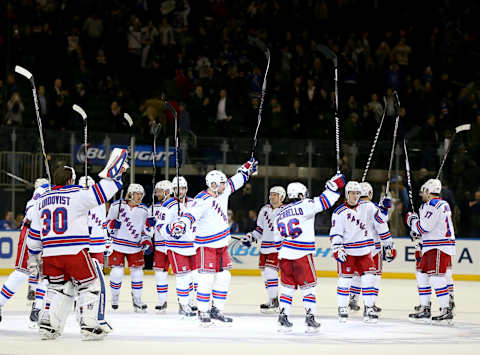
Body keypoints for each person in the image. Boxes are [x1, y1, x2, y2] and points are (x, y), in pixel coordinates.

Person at [27, 148, 129, 340]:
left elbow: (33, 237)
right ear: (70, 181)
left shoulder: (41, 202)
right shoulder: (77, 195)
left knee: (57, 288)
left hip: (49, 254)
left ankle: (48, 325)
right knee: (90, 285)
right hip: (75, 252)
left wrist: (34, 258)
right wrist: (117, 175)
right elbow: (103, 192)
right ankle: (89, 327)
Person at [168, 158, 258, 325]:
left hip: (221, 245)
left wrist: (246, 168)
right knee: (206, 278)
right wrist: (181, 224)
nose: (226, 186)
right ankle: (203, 311)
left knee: (224, 277)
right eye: (223, 183)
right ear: (214, 184)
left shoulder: (223, 193)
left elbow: (236, 180)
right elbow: (190, 214)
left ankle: (217, 309)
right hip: (206, 246)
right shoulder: (202, 199)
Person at [275, 174, 345, 333]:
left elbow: (277, 238)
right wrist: (334, 186)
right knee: (309, 289)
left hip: (285, 254)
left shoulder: (281, 211)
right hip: (301, 255)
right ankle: (310, 317)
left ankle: (283, 317)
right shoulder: (305, 204)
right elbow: (325, 201)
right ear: (300, 194)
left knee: (287, 288)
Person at [330, 181, 390, 324]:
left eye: (358, 193)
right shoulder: (339, 213)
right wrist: (337, 248)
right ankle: (342, 307)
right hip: (348, 251)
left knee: (369, 278)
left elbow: (381, 220)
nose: (355, 196)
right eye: (352, 193)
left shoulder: (367, 207)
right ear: (346, 194)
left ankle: (369, 308)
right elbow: (335, 233)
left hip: (364, 251)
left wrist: (384, 208)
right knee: (345, 280)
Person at [406, 178, 455, 324]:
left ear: (428, 191)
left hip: (438, 246)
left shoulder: (433, 205)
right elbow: (426, 229)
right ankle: (425, 307)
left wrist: (411, 221)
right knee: (422, 275)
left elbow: (423, 228)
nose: (422, 195)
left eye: (423, 192)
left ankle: (446, 309)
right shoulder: (438, 204)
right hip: (431, 245)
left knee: (436, 277)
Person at [0, 178, 49, 323]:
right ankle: (37, 306)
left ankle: (37, 307)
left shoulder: (38, 196)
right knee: (26, 272)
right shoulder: (40, 195)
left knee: (43, 274)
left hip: (41, 234)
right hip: (33, 233)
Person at [348, 182, 394, 313]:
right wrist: (389, 245)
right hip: (373, 248)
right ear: (370, 193)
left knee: (357, 274)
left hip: (355, 247)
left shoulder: (350, 207)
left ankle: (353, 299)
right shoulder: (373, 207)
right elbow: (382, 226)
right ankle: (370, 304)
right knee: (374, 275)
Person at [106, 183, 152, 313]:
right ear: (130, 194)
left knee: (138, 274)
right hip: (117, 245)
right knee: (117, 273)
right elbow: (105, 224)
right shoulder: (116, 206)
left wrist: (146, 240)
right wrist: (111, 224)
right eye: (137, 194)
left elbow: (145, 231)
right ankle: (114, 298)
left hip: (135, 247)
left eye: (141, 194)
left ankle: (137, 300)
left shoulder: (144, 210)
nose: (139, 196)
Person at [156, 176, 197, 317]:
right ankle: (183, 304)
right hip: (175, 246)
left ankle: (191, 302)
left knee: (195, 277)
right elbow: (160, 226)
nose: (180, 191)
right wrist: (171, 230)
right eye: (177, 188)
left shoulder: (193, 203)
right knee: (183, 276)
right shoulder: (167, 205)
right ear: (172, 189)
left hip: (192, 246)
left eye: (183, 188)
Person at [242, 186, 286, 313]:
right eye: (271, 194)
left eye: (275, 195)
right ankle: (272, 299)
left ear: (282, 197)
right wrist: (250, 237)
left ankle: (274, 302)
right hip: (264, 248)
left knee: (270, 272)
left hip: (277, 248)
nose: (272, 197)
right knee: (265, 274)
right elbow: (260, 229)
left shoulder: (286, 210)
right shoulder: (264, 210)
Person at [149, 180, 173, 313]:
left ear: (167, 192)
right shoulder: (153, 207)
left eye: (159, 191)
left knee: (184, 274)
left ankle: (188, 302)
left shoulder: (175, 206)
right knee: (159, 274)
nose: (156, 193)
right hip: (159, 247)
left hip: (174, 246)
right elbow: (147, 230)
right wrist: (150, 226)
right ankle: (162, 301)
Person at [79, 176, 107, 267]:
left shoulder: (100, 202)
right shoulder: (75, 201)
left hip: (97, 243)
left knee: (98, 271)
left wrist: (106, 238)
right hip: (80, 244)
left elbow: (103, 221)